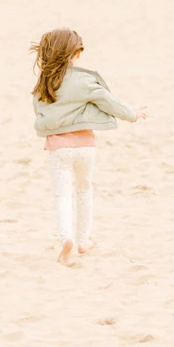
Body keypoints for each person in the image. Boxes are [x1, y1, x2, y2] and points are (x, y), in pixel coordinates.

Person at [31, 27, 145, 265]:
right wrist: (132, 114)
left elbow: (39, 112)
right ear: (77, 53)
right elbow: (109, 101)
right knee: (84, 189)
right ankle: (84, 239)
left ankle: (66, 239)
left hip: (58, 147)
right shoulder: (84, 80)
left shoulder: (45, 83)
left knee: (62, 194)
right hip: (85, 146)